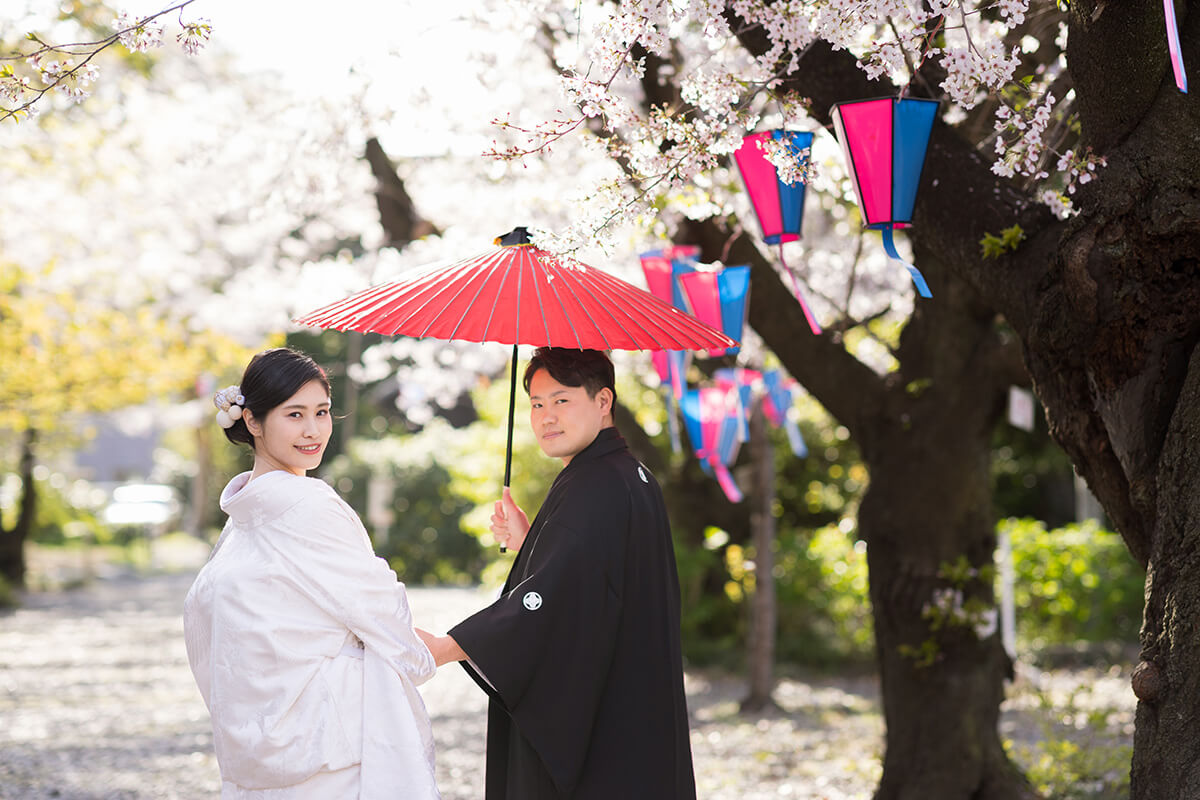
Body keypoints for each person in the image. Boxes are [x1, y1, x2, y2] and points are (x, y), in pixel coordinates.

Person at [419, 347, 696, 799]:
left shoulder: (596, 483)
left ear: (603, 401)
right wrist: (534, 540)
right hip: (637, 706)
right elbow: (592, 572)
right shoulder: (629, 473)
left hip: (604, 721)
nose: (546, 417)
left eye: (562, 400)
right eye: (536, 404)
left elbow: (553, 596)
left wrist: (447, 647)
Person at [183, 347, 440, 799]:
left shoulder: (243, 519)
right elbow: (380, 610)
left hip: (261, 743)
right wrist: (438, 651)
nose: (313, 430)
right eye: (294, 414)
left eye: (322, 412)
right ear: (253, 422)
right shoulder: (307, 504)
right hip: (327, 748)